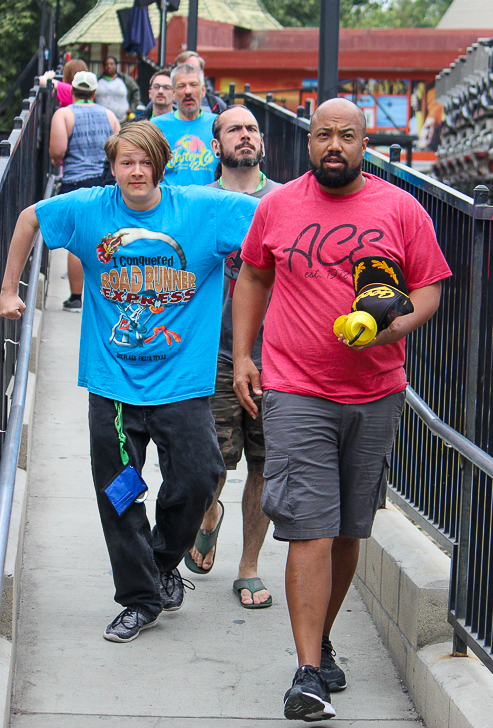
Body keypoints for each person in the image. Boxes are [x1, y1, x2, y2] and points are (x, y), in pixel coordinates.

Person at [232, 97, 452, 721]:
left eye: (347, 136)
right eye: (323, 135)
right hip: (296, 388)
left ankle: (322, 642)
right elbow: (252, 276)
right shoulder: (278, 205)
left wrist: (390, 331)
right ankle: (306, 673)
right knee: (311, 528)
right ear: (308, 143)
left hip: (375, 391)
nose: (335, 145)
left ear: (364, 144)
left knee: (350, 531)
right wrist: (244, 357)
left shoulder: (401, 208)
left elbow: (430, 288)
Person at [0, 120, 259, 644]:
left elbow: (277, 221)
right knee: (121, 494)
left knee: (200, 476)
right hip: (114, 386)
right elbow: (29, 218)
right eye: (126, 163)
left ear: (161, 166)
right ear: (113, 167)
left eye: (146, 163)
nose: (136, 172)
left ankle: (161, 562)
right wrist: (8, 288)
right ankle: (140, 598)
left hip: (183, 386)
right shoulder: (91, 208)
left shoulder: (203, 209)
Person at [184, 105, 279, 610]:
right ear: (215, 143)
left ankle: (248, 568)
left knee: (264, 462)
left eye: (252, 129)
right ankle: (208, 516)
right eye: (234, 130)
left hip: (277, 357)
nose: (245, 136)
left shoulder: (285, 201)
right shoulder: (198, 202)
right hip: (214, 352)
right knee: (211, 464)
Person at [49, 71, 119, 313]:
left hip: (76, 182)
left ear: (73, 91)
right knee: (105, 239)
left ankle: (76, 297)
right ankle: (108, 293)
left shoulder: (64, 113)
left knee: (78, 241)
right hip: (104, 182)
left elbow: (57, 152)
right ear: (94, 92)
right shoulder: (109, 115)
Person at [150, 63, 217, 186]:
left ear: (202, 91)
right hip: (169, 203)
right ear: (174, 93)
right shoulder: (156, 126)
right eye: (181, 86)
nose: (188, 91)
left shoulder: (218, 125)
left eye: (193, 85)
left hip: (209, 202)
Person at [174, 50, 226, 114]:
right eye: (182, 69)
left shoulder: (216, 104)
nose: (187, 73)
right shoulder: (169, 103)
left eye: (192, 69)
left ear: (202, 73)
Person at [95, 56, 141, 123]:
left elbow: (136, 91)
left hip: (122, 121)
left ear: (116, 65)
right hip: (100, 121)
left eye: (111, 64)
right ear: (103, 66)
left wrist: (132, 107)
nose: (108, 66)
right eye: (106, 64)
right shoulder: (97, 80)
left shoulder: (125, 79)